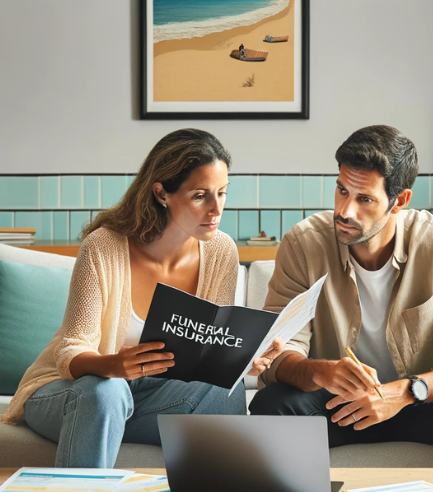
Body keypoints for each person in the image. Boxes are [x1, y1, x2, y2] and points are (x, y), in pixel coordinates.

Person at [1, 128, 283, 468]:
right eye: (199, 196)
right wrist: (114, 365)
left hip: (149, 400)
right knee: (108, 391)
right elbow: (70, 352)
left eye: (221, 193)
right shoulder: (104, 246)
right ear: (161, 193)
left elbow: (207, 350)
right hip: (73, 392)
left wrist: (237, 362)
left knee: (227, 391)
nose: (215, 209)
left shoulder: (220, 251)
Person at [250, 125, 433, 467]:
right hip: (337, 407)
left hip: (415, 404)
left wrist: (405, 392)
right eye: (341, 190)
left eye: (364, 199)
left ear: (400, 201)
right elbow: (276, 354)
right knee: (270, 405)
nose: (345, 211)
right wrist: (323, 372)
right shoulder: (304, 243)